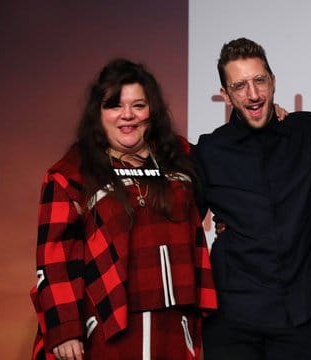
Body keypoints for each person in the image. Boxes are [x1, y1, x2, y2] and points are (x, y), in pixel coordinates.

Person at [30, 59, 217, 360]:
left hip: (173, 326)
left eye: (138, 105)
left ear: (151, 111)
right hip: (107, 329)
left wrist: (276, 117)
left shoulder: (181, 157)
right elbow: (55, 257)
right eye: (114, 105)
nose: (127, 115)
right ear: (98, 113)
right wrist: (66, 329)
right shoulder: (71, 174)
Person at [194, 38, 311, 360]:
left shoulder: (306, 131)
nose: (253, 94)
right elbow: (178, 225)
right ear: (225, 95)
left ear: (273, 81)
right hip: (232, 319)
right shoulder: (209, 151)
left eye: (259, 81)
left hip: (298, 318)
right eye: (240, 86)